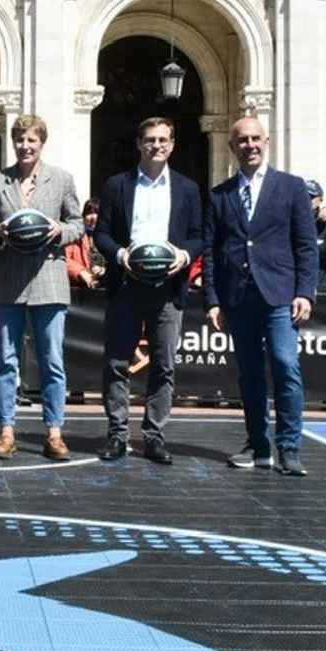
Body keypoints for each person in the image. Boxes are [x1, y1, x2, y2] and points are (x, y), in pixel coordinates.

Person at [202, 116, 317, 477]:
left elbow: (305, 246)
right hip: (238, 297)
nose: (249, 145)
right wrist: (212, 299)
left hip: (280, 294)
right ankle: (258, 444)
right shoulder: (220, 195)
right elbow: (210, 251)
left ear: (266, 142)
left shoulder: (291, 187)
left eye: (255, 139)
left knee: (285, 365)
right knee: (249, 374)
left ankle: (290, 447)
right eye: (242, 140)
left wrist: (305, 292)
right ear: (231, 146)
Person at [92, 117, 205, 467]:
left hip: (167, 287)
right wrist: (122, 255)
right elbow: (102, 234)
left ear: (172, 144)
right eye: (150, 140)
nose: (156, 145)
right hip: (126, 284)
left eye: (163, 140)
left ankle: (154, 436)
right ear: (139, 143)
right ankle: (117, 434)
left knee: (164, 365)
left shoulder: (187, 188)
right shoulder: (117, 185)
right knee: (116, 362)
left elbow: (199, 234)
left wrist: (184, 256)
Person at [0, 113, 82, 462]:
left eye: (31, 140)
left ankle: (54, 432)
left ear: (42, 143)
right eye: (20, 139)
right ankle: (6, 431)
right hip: (7, 280)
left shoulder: (62, 180)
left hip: (49, 279)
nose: (25, 146)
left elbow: (78, 225)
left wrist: (60, 231)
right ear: (13, 143)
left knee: (52, 360)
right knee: (5, 360)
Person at [64, 198, 105, 290]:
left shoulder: (110, 238)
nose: (93, 217)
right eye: (89, 213)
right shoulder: (75, 236)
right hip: (81, 289)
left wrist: (104, 271)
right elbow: (63, 259)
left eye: (97, 213)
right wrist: (81, 272)